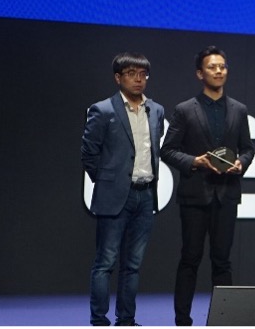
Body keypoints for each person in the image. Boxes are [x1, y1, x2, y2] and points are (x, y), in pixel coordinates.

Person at [161, 46, 255, 327]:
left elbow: (248, 149)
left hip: (226, 194)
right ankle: (182, 321)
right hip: (194, 195)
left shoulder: (239, 109)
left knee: (222, 260)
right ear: (200, 74)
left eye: (222, 66)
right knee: (190, 259)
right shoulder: (185, 109)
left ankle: (223, 321)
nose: (218, 71)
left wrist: (241, 163)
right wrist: (195, 161)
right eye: (212, 67)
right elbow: (167, 150)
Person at [81, 52, 166, 327]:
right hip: (115, 195)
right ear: (118, 78)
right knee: (105, 262)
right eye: (131, 74)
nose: (138, 79)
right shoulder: (103, 110)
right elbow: (89, 153)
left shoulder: (156, 110)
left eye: (143, 74)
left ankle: (126, 320)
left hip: (146, 194)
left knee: (133, 264)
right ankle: (99, 320)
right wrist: (108, 182)